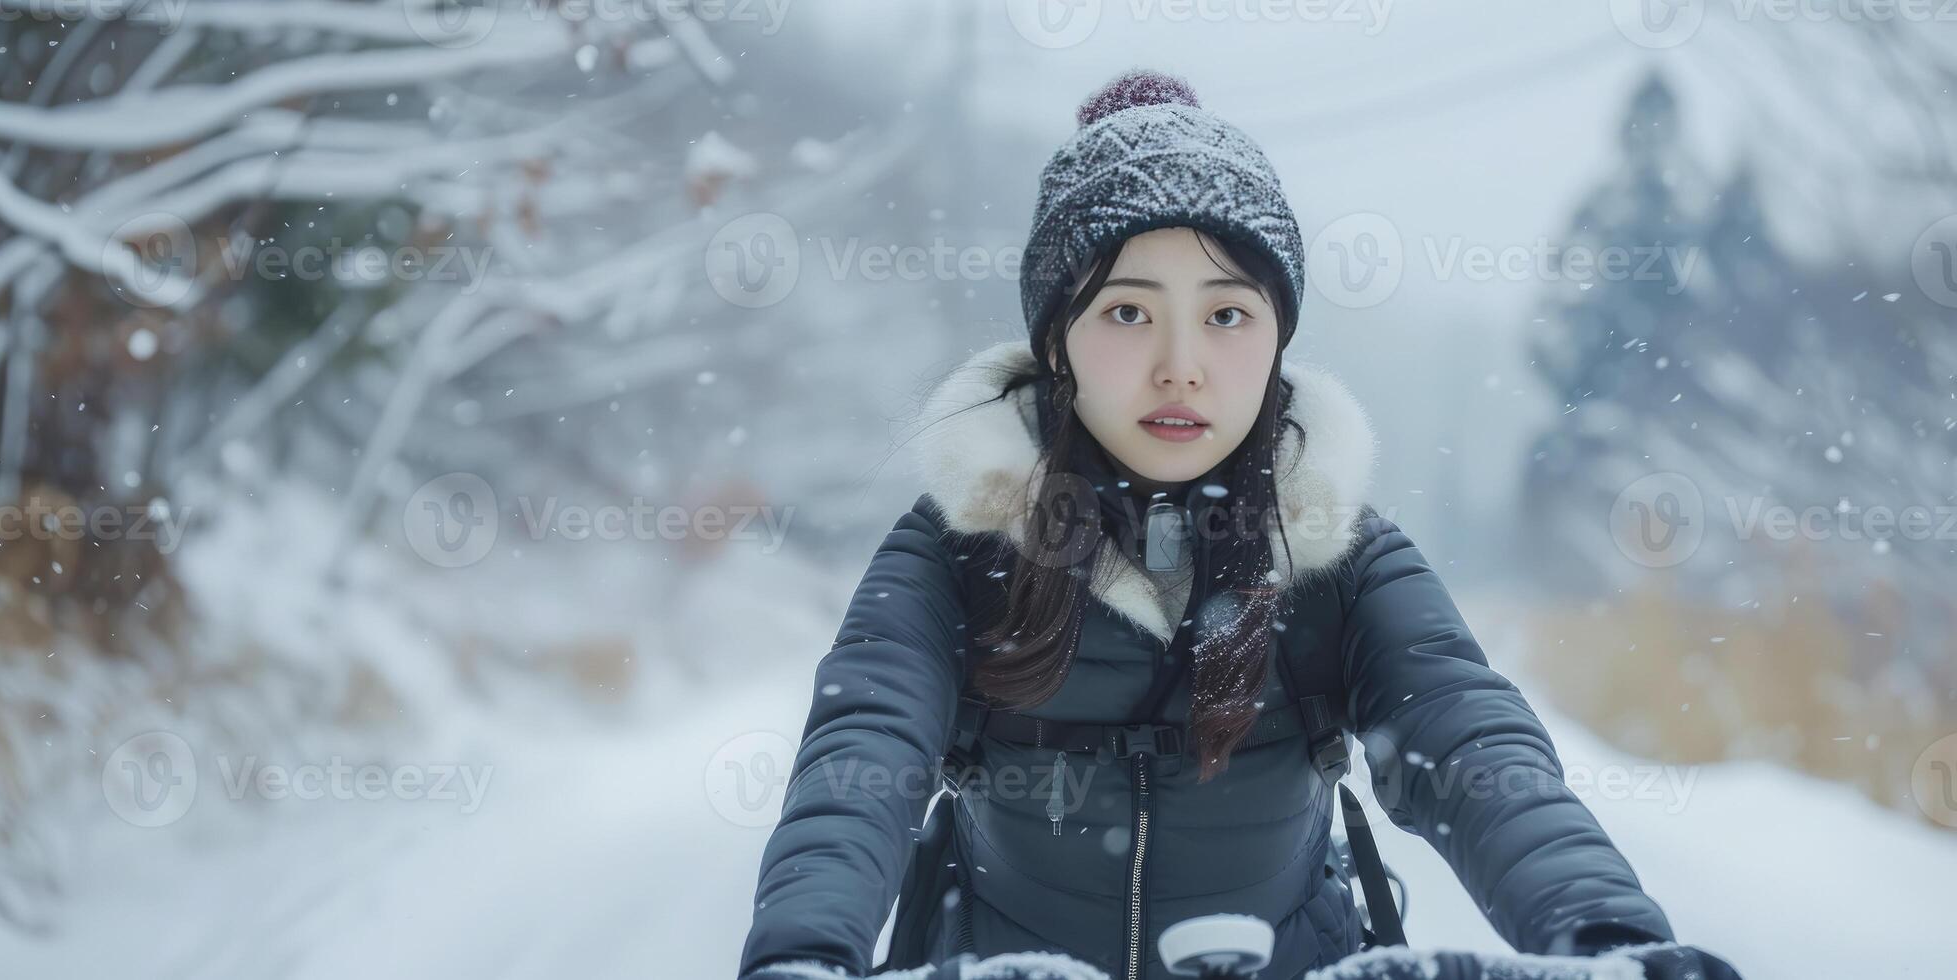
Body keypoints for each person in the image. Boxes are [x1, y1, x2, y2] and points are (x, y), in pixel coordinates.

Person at [736, 69, 1741, 980]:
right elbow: (860, 754)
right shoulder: (958, 547)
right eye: (1128, 312)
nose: (1182, 363)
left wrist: (1611, 937)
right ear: (1058, 341)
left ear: (1276, 339)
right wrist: (802, 951)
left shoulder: (1335, 552)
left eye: (1226, 314)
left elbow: (1473, 744)